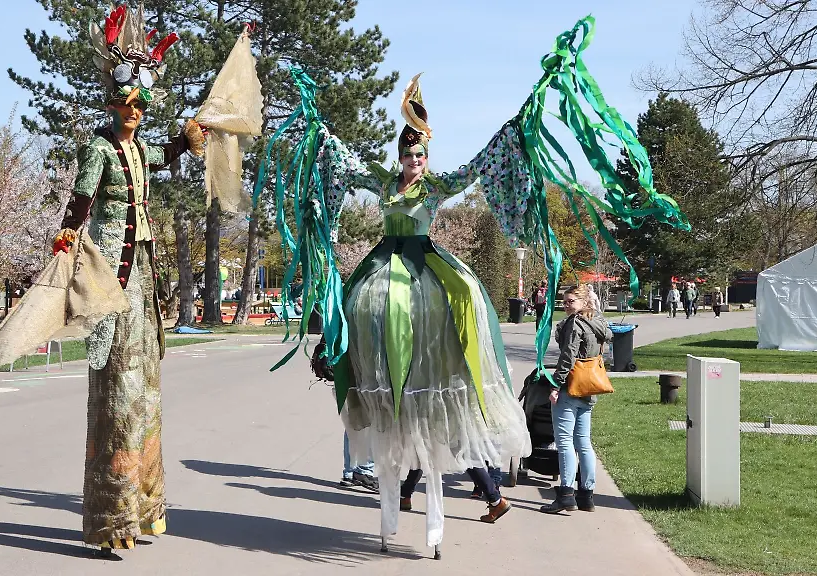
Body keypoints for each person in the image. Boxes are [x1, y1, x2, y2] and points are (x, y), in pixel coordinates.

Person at [260, 17, 689, 556]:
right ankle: (357, 374)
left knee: (464, 302)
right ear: (399, 156)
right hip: (385, 262)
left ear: (427, 157)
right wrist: (321, 132)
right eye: (407, 155)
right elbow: (348, 165)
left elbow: (476, 168)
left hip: (424, 265)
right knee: (359, 305)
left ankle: (450, 414)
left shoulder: (437, 185)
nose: (414, 162)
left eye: (420, 155)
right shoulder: (385, 183)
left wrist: (516, 127)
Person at [49, 5, 205, 556]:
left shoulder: (139, 145)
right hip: (111, 279)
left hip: (143, 276)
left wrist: (187, 142)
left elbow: (158, 158)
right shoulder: (98, 147)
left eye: (140, 104)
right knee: (116, 391)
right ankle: (108, 518)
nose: (134, 112)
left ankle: (141, 508)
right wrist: (67, 237)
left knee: (144, 393)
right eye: (126, 103)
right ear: (111, 102)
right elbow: (81, 200)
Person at [541, 284, 611, 514]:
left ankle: (566, 494)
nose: (566, 304)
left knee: (565, 443)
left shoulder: (575, 323)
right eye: (565, 300)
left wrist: (556, 385)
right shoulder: (598, 322)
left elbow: (568, 356)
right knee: (583, 442)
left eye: (571, 301)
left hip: (571, 386)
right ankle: (587, 495)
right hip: (590, 385)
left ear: (583, 302)